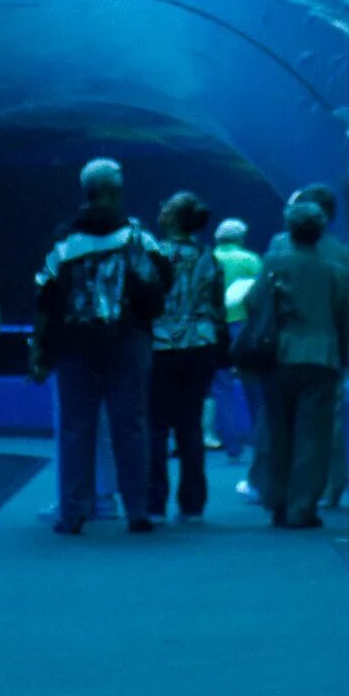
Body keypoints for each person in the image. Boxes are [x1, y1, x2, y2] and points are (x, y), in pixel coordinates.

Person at [30, 158, 171, 534]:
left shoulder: (63, 240)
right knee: (133, 426)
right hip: (129, 342)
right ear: (118, 191)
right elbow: (165, 278)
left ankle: (74, 511)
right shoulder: (139, 237)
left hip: (75, 347)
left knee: (77, 428)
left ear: (85, 192)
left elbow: (44, 296)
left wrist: (41, 351)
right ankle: (138, 511)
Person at [258, 199, 349, 529]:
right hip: (321, 358)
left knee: (278, 432)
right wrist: (343, 352)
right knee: (313, 437)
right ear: (321, 232)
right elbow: (347, 316)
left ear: (289, 229)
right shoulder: (335, 271)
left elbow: (253, 301)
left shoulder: (273, 262)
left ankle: (277, 500)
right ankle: (302, 507)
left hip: (279, 355)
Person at [144, 193, 225, 521]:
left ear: (175, 217)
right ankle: (193, 504)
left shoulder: (154, 254)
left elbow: (144, 300)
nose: (161, 209)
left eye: (167, 206)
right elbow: (217, 306)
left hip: (160, 347)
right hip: (200, 346)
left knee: (156, 427)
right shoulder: (210, 257)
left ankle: (154, 501)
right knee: (190, 427)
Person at [209, 217, 261, 476]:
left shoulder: (210, 258)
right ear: (241, 236)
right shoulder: (250, 260)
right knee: (253, 383)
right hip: (244, 326)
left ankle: (231, 443)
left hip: (217, 327)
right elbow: (261, 294)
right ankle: (259, 436)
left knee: (221, 386)